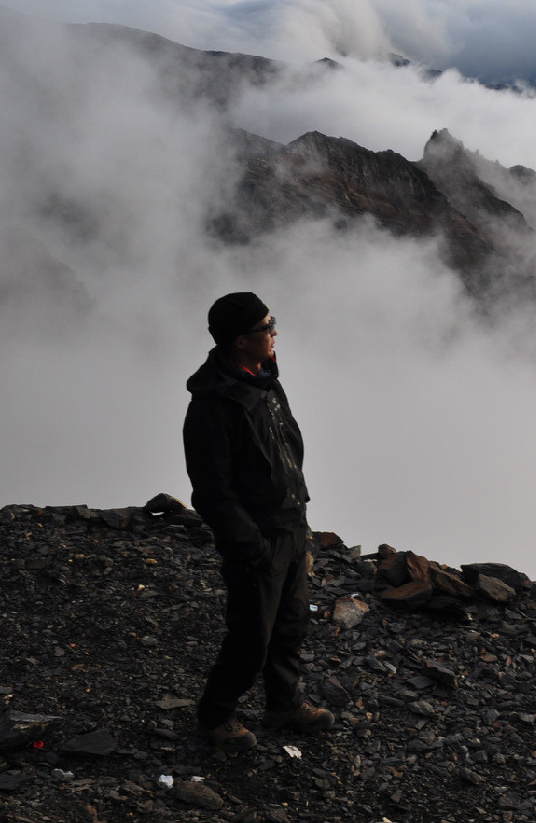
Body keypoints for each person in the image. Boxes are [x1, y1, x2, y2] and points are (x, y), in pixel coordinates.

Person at [183, 292, 334, 749]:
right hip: (259, 538)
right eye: (267, 327)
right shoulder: (214, 404)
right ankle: (216, 717)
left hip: (290, 525)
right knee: (252, 636)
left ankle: (283, 704)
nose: (274, 333)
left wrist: (299, 519)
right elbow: (212, 491)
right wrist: (250, 545)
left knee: (291, 624)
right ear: (240, 341)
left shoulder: (265, 382)